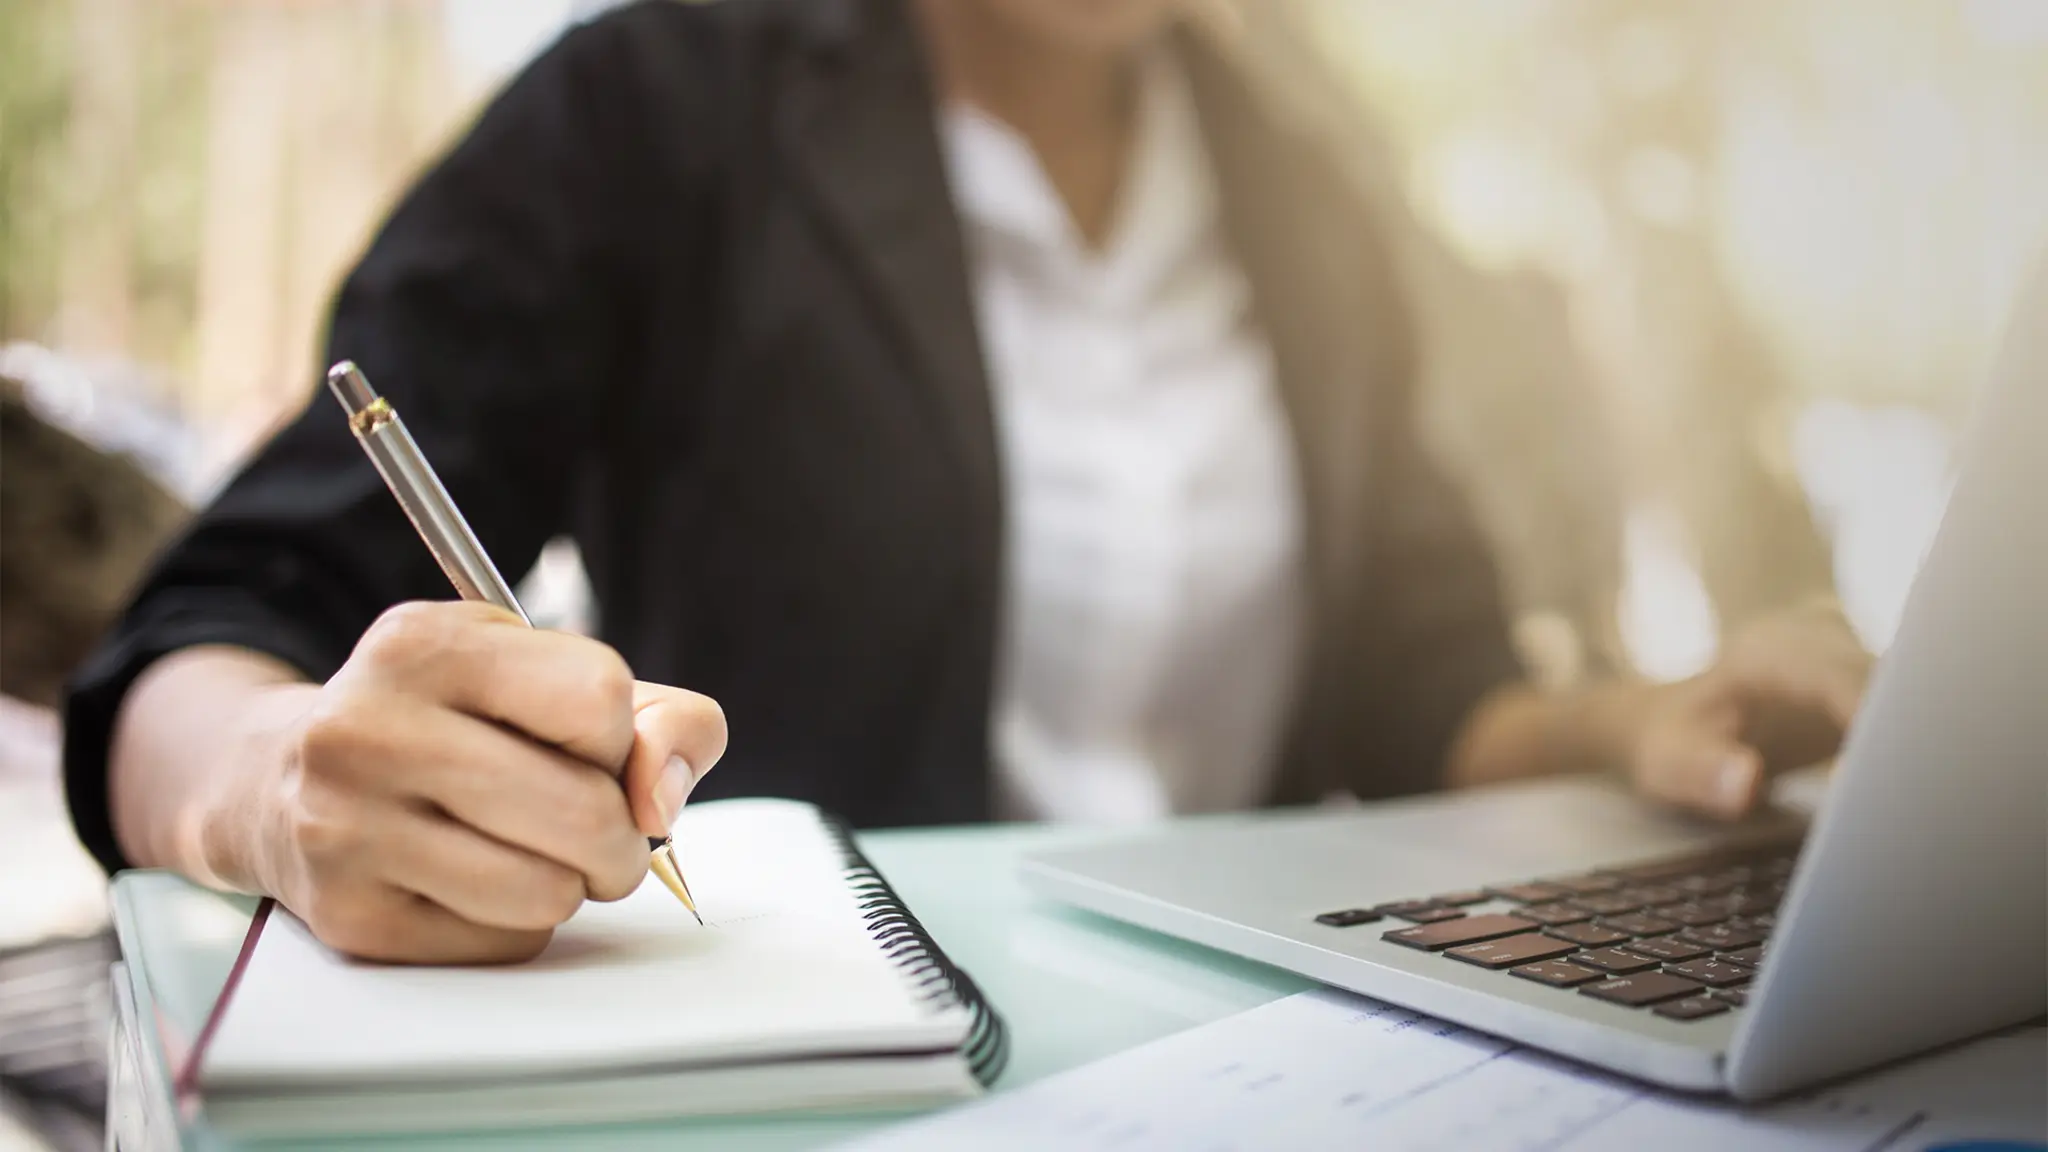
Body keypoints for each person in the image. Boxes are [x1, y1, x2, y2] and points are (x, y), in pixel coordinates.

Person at [63, 0, 1871, 966]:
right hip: (809, 1061)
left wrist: (1634, 729)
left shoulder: (1310, 188)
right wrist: (271, 791)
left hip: (1258, 1057)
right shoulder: (658, 102)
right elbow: (204, 638)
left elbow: (1422, 690)